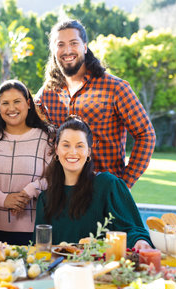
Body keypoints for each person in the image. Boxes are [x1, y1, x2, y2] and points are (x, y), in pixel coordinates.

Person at [34, 19, 155, 188]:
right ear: (54, 50)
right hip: (61, 193)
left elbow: (146, 134)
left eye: (73, 43)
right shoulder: (46, 94)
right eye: (60, 44)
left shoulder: (115, 88)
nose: (67, 50)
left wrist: (123, 185)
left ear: (85, 46)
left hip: (103, 192)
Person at [34, 115, 152, 249]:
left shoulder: (108, 185)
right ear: (56, 149)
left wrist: (140, 242)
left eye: (80, 146)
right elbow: (40, 248)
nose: (72, 152)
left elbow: (133, 229)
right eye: (66, 145)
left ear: (89, 151)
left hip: (98, 267)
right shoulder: (46, 199)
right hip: (58, 269)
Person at [0, 80, 53, 245]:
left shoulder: (46, 137)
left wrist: (29, 192)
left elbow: (54, 177)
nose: (11, 108)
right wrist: (3, 199)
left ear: (28, 104)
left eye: (17, 102)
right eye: (5, 103)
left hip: (35, 229)